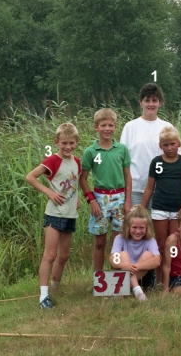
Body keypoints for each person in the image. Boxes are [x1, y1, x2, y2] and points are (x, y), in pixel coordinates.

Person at [25, 123, 82, 310]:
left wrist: (78, 198)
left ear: (76, 142)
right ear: (56, 142)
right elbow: (30, 177)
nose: (68, 147)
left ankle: (55, 288)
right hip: (54, 214)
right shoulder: (52, 161)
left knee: (64, 255)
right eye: (64, 143)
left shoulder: (77, 162)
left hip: (70, 214)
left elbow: (76, 182)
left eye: (71, 143)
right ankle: (43, 296)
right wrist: (49, 193)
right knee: (50, 255)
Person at [80, 109, 132, 272]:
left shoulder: (121, 149)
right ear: (96, 127)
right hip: (100, 198)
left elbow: (128, 177)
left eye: (111, 125)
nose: (107, 129)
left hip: (119, 197)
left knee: (118, 242)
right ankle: (98, 279)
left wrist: (128, 201)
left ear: (115, 127)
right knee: (100, 242)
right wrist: (92, 200)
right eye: (103, 125)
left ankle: (115, 277)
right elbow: (82, 179)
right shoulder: (91, 151)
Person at [142, 126, 181, 284]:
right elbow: (150, 187)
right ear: (160, 146)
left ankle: (174, 277)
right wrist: (142, 208)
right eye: (165, 145)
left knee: (174, 244)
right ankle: (159, 280)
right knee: (161, 245)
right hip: (159, 208)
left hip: (177, 210)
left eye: (172, 144)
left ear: (179, 144)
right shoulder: (156, 162)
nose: (169, 148)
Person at [120, 83, 181, 207]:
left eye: (154, 100)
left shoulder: (167, 127)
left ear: (160, 103)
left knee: (156, 227)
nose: (151, 104)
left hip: (161, 189)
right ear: (140, 102)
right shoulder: (130, 127)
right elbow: (122, 159)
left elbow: (177, 158)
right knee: (135, 226)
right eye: (147, 100)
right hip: (135, 188)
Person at [109, 205, 161, 301]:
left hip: (144, 279)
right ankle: (138, 292)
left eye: (141, 228)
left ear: (147, 228)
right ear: (128, 227)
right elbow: (112, 259)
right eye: (134, 227)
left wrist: (136, 266)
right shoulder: (120, 238)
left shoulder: (150, 241)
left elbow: (157, 261)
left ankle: (121, 288)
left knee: (148, 255)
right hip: (122, 272)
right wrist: (124, 266)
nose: (138, 231)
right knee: (123, 254)